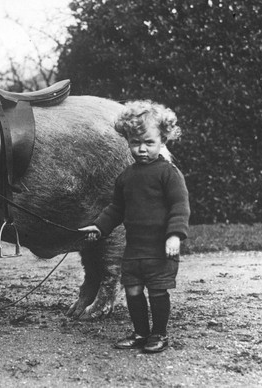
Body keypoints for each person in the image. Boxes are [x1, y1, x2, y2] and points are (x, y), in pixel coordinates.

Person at [79, 100, 190, 353]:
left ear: (163, 140)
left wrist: (174, 235)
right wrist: (99, 227)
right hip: (134, 249)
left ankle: (159, 334)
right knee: (133, 290)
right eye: (135, 143)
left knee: (158, 292)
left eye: (149, 143)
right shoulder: (126, 177)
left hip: (160, 249)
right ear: (127, 141)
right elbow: (116, 209)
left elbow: (179, 206)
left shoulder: (169, 174)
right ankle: (140, 332)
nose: (141, 149)